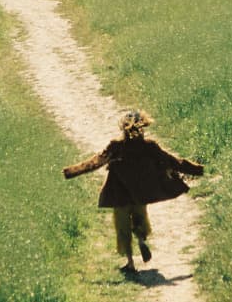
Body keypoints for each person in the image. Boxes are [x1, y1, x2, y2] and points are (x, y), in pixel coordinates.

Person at [63, 110, 205, 275]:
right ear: (143, 127)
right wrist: (196, 169)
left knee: (122, 227)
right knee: (140, 219)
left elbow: (96, 162)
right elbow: (172, 161)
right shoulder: (149, 146)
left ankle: (130, 262)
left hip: (119, 192)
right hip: (141, 192)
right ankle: (141, 239)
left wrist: (71, 171)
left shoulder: (116, 146)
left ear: (123, 128)